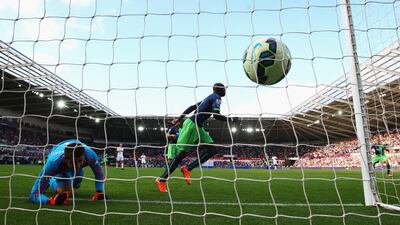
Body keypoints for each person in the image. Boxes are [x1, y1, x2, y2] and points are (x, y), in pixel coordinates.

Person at [155, 83, 238, 192]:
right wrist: (231, 120)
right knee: (181, 155)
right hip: (192, 126)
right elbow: (216, 115)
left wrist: (180, 119)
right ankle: (162, 179)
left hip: (198, 127)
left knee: (212, 149)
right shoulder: (216, 97)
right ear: (219, 89)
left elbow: (191, 107)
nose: (225, 91)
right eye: (224, 89)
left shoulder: (208, 98)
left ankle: (187, 169)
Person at [29, 139, 107, 205]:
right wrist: (50, 201)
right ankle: (51, 181)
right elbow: (34, 195)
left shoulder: (91, 155)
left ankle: (76, 180)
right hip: (58, 156)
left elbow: (99, 174)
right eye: (73, 162)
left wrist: (99, 191)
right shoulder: (53, 163)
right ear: (66, 160)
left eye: (80, 161)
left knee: (76, 183)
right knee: (66, 192)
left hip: (74, 146)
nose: (78, 165)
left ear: (84, 156)